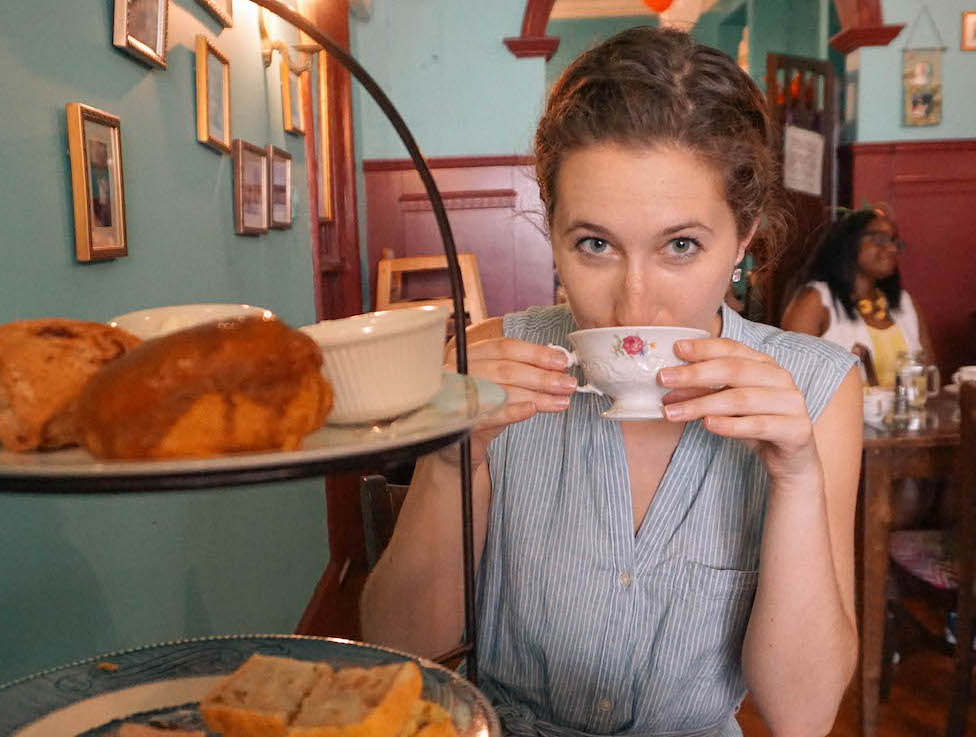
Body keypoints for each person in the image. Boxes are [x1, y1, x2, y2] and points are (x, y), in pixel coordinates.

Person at [361, 27, 861, 737]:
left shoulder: (817, 389)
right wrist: (450, 460)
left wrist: (796, 476)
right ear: (553, 231)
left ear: (745, 235)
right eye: (594, 244)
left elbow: (802, 716)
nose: (634, 305)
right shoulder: (485, 361)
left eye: (680, 245)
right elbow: (402, 661)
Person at [782, 206, 935, 388]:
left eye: (895, 241)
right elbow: (790, 376)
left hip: (906, 415)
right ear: (849, 243)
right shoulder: (816, 301)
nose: (893, 248)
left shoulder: (905, 303)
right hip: (839, 416)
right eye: (880, 239)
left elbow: (931, 375)